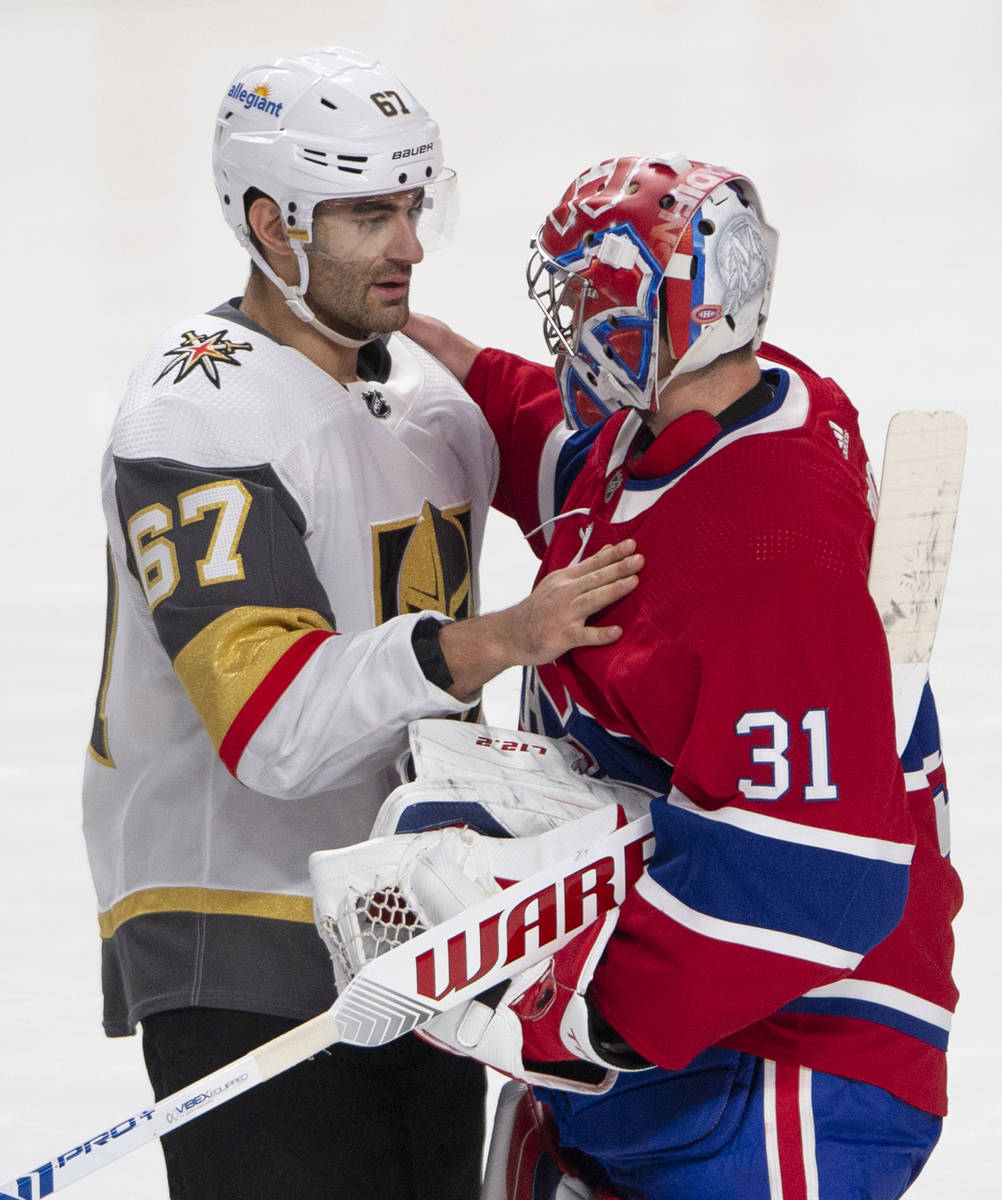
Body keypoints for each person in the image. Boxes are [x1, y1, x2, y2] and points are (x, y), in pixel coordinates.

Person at [81, 49, 641, 1200]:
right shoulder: (199, 412)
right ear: (269, 223)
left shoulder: (430, 403)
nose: (410, 245)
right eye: (367, 214)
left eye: (413, 204)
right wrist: (489, 643)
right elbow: (273, 728)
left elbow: (617, 504)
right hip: (238, 934)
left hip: (417, 934)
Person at [403, 154, 961, 1199]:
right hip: (684, 1053)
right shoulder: (701, 414)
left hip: (791, 1067)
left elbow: (817, 874)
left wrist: (583, 1017)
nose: (566, 325)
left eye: (584, 297)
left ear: (654, 309)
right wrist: (452, 363)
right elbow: (585, 465)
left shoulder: (773, 541)